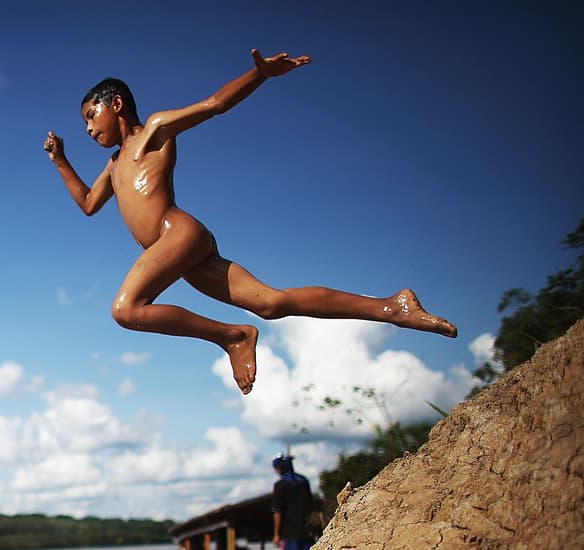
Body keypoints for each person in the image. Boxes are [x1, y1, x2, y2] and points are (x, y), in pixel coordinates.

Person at [43, 49, 456, 395]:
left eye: (90, 115)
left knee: (126, 308)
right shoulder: (114, 164)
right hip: (182, 254)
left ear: (115, 104)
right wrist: (61, 161)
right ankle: (391, 307)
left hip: (178, 234)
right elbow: (88, 203)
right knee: (272, 303)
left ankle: (231, 336)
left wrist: (260, 75)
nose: (87, 128)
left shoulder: (153, 131)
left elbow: (214, 104)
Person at [271, 453, 315, 550]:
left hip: (290, 528)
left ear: (279, 468)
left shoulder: (280, 485)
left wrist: (276, 534)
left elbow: (277, 511)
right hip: (307, 525)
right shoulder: (304, 481)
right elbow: (311, 502)